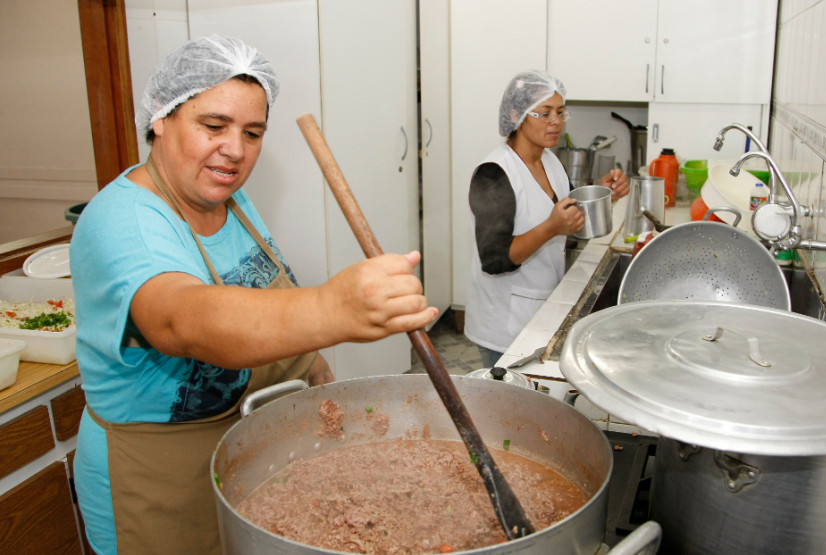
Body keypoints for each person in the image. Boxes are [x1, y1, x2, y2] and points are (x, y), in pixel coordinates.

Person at [70, 35, 436, 555]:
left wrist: (313, 371)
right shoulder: (121, 220)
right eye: (213, 126)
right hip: (157, 486)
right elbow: (183, 320)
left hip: (249, 456)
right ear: (160, 117)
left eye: (253, 132)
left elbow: (264, 296)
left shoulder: (230, 199)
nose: (236, 150)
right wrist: (333, 308)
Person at [464, 70, 629, 368]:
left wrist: (605, 196)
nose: (556, 121)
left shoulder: (550, 160)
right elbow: (495, 260)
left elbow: (566, 216)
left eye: (561, 112)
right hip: (504, 324)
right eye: (544, 113)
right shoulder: (494, 174)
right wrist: (552, 228)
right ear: (516, 114)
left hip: (539, 311)